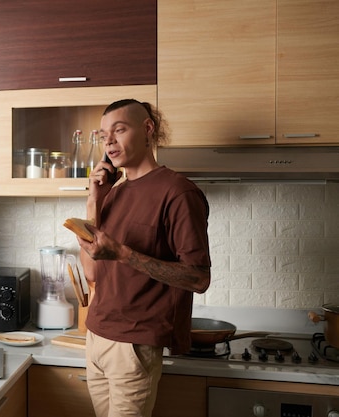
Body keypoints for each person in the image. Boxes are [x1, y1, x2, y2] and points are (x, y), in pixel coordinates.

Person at [77, 99, 211, 417]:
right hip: (96, 336)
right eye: (103, 134)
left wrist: (124, 254)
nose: (109, 141)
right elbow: (93, 273)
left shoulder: (178, 192)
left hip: (134, 345)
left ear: (147, 129)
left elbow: (198, 278)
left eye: (119, 130)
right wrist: (94, 201)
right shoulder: (115, 192)